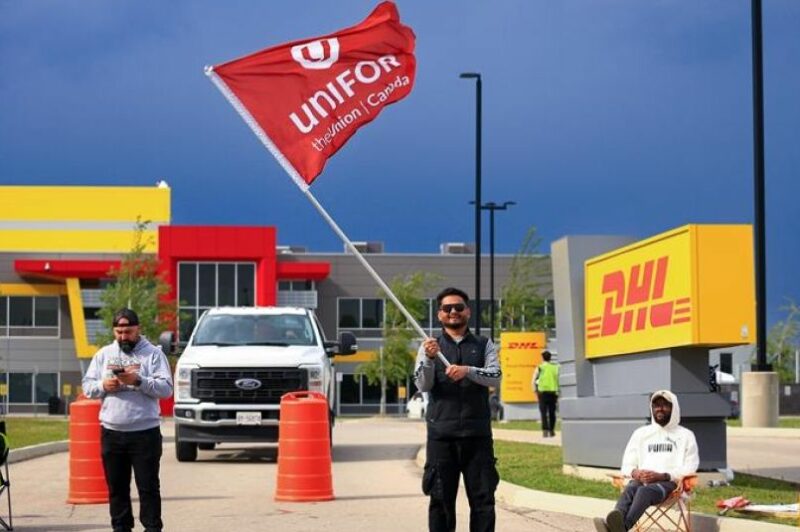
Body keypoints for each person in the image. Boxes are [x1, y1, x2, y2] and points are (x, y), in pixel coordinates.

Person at [414, 287, 502, 532]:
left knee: (484, 501)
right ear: (439, 314)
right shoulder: (430, 347)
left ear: (468, 311)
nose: (453, 312)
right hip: (442, 437)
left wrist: (468, 371)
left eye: (459, 307)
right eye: (447, 308)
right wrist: (430, 360)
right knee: (441, 502)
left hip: (478, 437)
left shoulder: (484, 344)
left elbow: (495, 376)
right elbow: (422, 384)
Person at [82, 308, 174, 532]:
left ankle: (152, 528)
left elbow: (166, 389)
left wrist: (138, 380)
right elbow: (87, 386)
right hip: (112, 433)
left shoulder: (153, 354)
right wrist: (103, 386)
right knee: (117, 489)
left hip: (145, 434)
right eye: (119, 331)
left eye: (128, 331)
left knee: (148, 488)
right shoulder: (103, 355)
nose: (124, 336)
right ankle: (121, 528)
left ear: (138, 329)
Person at [594, 390, 699, 532]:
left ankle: (620, 528)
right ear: (652, 408)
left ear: (674, 408)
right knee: (632, 487)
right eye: (656, 405)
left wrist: (663, 476)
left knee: (644, 491)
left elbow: (690, 467)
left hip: (671, 486)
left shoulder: (685, 435)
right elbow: (627, 465)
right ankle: (616, 527)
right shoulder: (641, 434)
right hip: (641, 482)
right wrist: (635, 472)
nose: (660, 409)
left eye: (665, 405)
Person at [532, 350, 559, 437]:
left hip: (542, 393)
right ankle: (551, 430)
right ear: (550, 358)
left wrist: (534, 391)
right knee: (552, 412)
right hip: (553, 393)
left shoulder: (540, 367)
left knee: (543, 412)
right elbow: (558, 379)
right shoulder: (555, 367)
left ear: (542, 357)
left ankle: (545, 430)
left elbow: (533, 380)